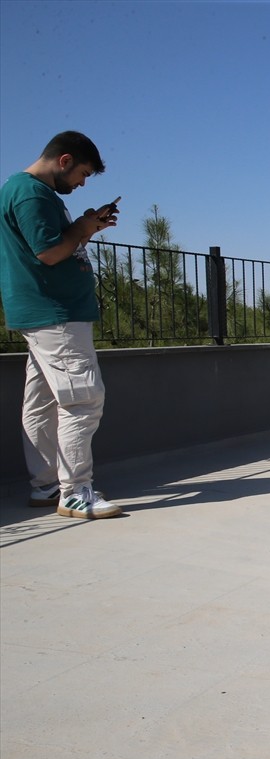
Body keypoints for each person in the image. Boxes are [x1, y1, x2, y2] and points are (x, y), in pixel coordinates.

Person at [0, 131, 122, 519]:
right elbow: (50, 251)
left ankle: (46, 485)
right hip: (57, 313)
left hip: (42, 313)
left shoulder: (22, 191)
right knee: (83, 400)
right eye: (83, 174)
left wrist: (88, 227)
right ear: (64, 160)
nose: (82, 183)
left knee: (41, 402)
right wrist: (83, 229)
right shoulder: (32, 193)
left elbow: (53, 246)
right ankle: (75, 492)